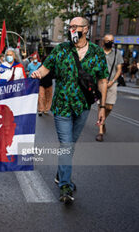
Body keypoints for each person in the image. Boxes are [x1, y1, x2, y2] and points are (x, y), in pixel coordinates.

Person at [31, 17, 108, 204]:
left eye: (76, 26)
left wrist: (102, 107)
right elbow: (45, 68)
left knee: (70, 145)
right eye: (70, 26)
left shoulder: (97, 52)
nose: (72, 29)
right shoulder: (62, 49)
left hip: (83, 107)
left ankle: (60, 173)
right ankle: (65, 185)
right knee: (66, 145)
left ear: (86, 29)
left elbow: (103, 80)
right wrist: (35, 74)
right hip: (62, 106)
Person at [96, 34, 123, 142]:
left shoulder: (117, 53)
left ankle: (103, 120)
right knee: (101, 106)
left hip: (112, 83)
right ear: (103, 41)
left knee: (109, 107)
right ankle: (100, 132)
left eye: (111, 40)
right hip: (100, 83)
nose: (109, 42)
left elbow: (119, 69)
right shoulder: (98, 52)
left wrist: (112, 81)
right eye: (107, 40)